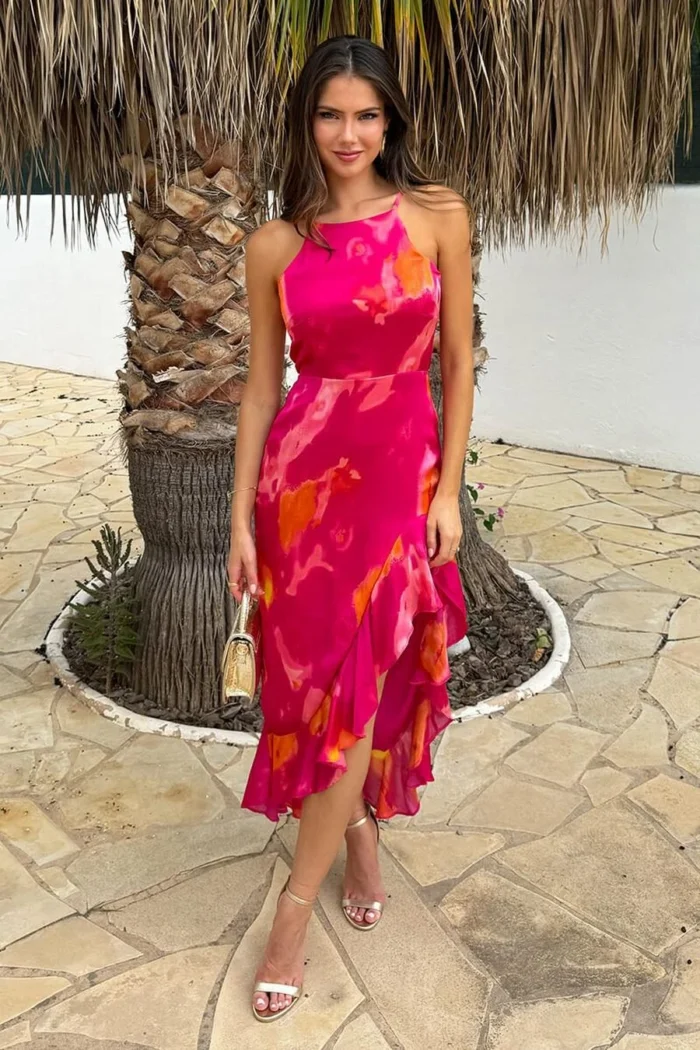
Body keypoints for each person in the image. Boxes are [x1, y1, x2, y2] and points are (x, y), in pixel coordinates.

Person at [227, 34, 474, 1023]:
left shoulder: (436, 216)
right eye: (330, 114)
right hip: (300, 490)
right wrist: (240, 521)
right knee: (310, 692)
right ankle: (360, 835)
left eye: (366, 114)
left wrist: (449, 493)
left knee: (360, 688)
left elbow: (456, 364)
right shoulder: (275, 246)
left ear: (390, 121)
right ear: (306, 122)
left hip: (398, 482)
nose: (348, 133)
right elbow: (259, 392)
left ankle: (292, 913)